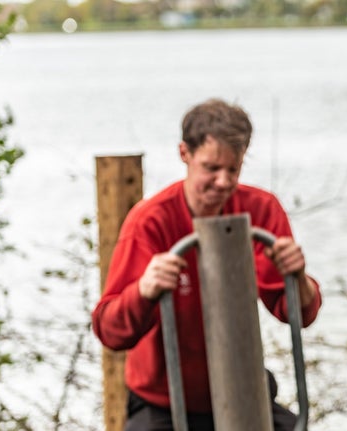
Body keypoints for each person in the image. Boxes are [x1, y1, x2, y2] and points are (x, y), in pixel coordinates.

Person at [92, 98, 321, 431]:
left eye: (234, 168)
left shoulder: (261, 210)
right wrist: (144, 291)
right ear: (184, 153)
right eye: (212, 168)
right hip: (163, 405)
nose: (224, 181)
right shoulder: (150, 221)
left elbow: (298, 313)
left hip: (245, 393)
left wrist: (298, 277)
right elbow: (109, 330)